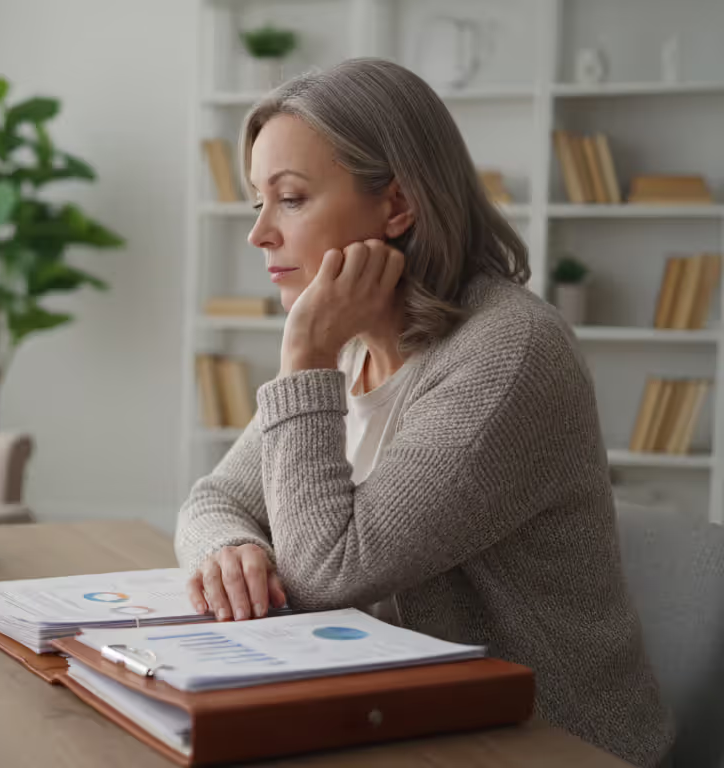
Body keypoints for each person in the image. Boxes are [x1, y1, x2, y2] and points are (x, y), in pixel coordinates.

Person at [174, 58, 672, 767]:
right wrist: (229, 551)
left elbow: (327, 572)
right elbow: (214, 498)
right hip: (398, 712)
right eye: (258, 201)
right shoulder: (353, 342)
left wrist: (306, 355)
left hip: (546, 742)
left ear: (398, 206)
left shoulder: (510, 355)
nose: (259, 234)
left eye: (290, 198)